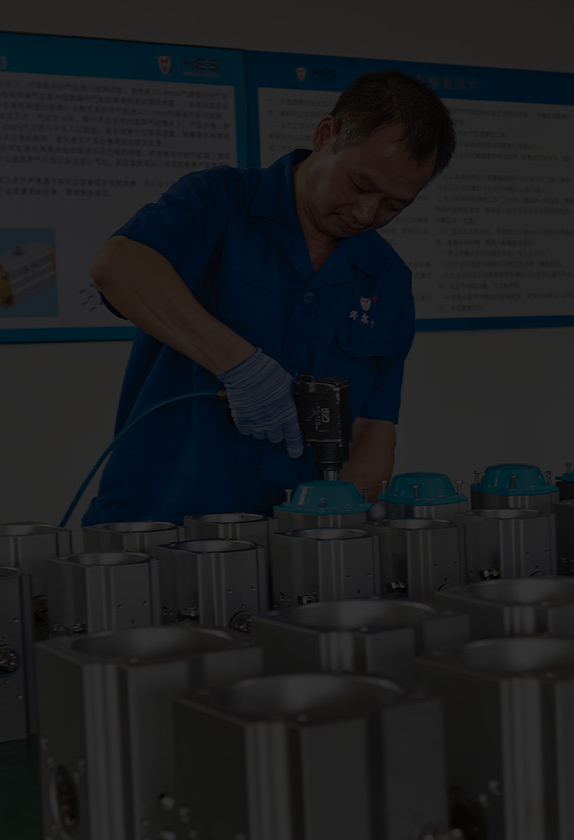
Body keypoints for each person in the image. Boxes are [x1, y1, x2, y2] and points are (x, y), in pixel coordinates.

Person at [79, 71, 455, 525]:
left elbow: (373, 430)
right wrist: (240, 365)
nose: (366, 213)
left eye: (394, 206)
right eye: (359, 185)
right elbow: (118, 266)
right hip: (156, 524)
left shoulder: (386, 278)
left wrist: (337, 525)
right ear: (326, 135)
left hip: (292, 538)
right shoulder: (220, 201)